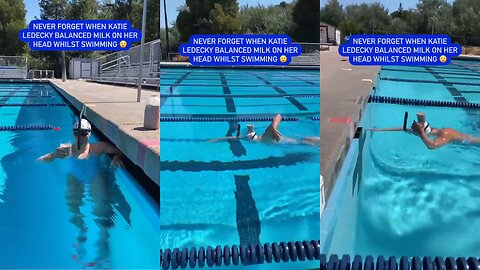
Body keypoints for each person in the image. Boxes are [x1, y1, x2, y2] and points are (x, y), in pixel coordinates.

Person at [38, 119, 125, 167]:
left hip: (94, 179)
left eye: (83, 133)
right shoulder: (67, 149)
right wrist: (53, 155)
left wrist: (117, 157)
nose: (79, 137)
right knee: (73, 197)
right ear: (73, 134)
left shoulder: (99, 147)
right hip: (75, 178)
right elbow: (39, 160)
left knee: (100, 193)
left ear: (90, 134)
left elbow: (121, 152)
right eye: (76, 133)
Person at [369, 112, 480, 149]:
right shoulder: (433, 131)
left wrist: (421, 133)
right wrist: (381, 129)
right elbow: (404, 129)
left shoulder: (445, 133)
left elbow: (432, 146)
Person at [208, 114, 320, 146]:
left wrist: (217, 139)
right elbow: (278, 115)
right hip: (260, 138)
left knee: (301, 142)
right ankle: (272, 129)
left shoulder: (302, 140)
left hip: (257, 137)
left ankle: (271, 129)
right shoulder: (302, 142)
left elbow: (232, 138)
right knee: (301, 142)